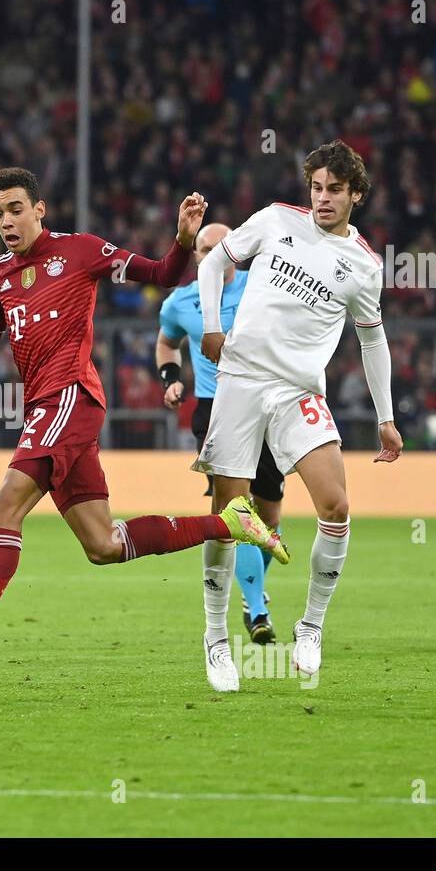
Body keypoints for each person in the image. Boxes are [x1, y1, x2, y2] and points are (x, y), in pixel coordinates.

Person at [0, 166, 287, 683]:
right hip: (45, 406)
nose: (6, 221)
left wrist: (181, 239)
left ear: (39, 209)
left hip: (70, 397)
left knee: (4, 507)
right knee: (102, 546)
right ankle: (230, 523)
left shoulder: (81, 251)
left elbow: (162, 275)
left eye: (15, 209)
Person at [194, 140, 400, 690]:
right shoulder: (275, 220)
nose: (323, 198)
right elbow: (214, 261)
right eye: (316, 187)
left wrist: (386, 416)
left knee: (335, 502)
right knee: (229, 513)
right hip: (239, 379)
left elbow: (373, 340)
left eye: (335, 189)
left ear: (355, 194)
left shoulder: (362, 265)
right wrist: (212, 327)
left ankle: (311, 626)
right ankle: (216, 640)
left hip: (296, 391)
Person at [158, 221, 284, 644]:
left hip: (268, 402)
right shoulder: (179, 302)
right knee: (236, 512)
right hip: (215, 408)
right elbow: (167, 342)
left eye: (220, 247)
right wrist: (170, 378)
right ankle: (258, 609)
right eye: (203, 248)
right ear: (195, 256)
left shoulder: (264, 284)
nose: (212, 254)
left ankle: (250, 593)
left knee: (269, 518)